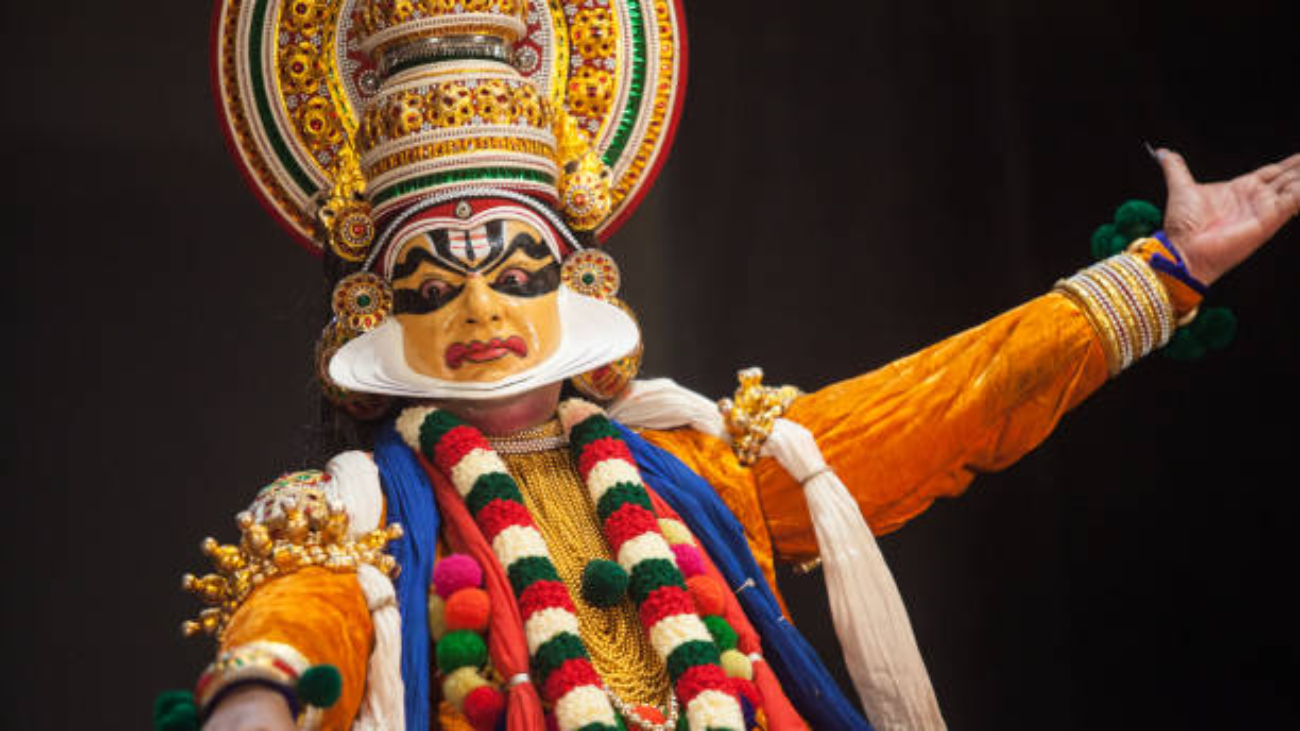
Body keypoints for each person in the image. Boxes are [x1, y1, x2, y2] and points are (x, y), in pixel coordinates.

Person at [175, 1, 1299, 730]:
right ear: (370, 306)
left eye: (516, 265)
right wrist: (259, 692)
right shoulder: (347, 519)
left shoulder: (705, 464)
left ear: (580, 282)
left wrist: (1164, 272)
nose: (478, 305)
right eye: (432, 276)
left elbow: (947, 406)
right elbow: (304, 615)